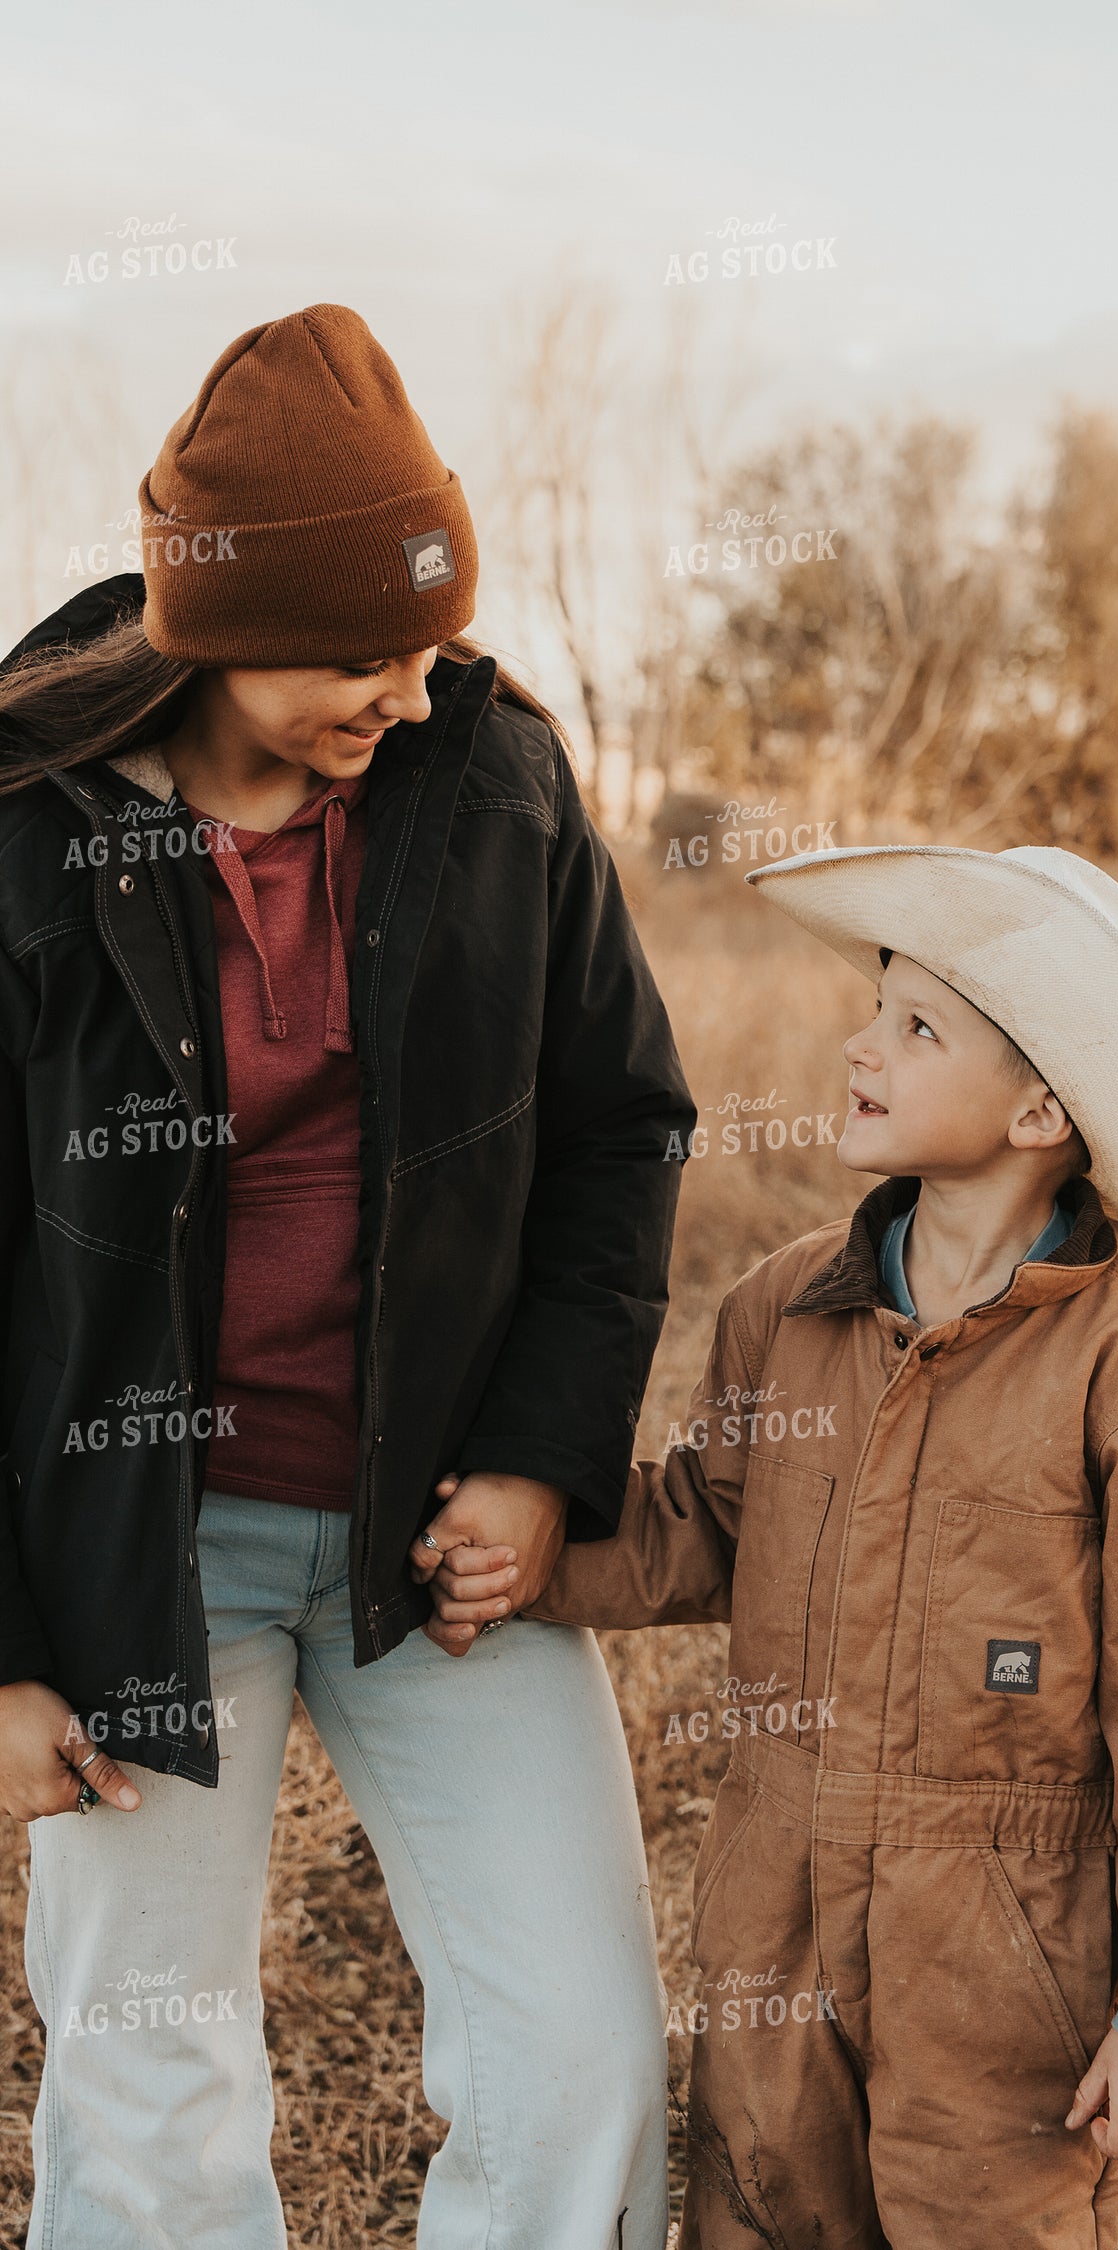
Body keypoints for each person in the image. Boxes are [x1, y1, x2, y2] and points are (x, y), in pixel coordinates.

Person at [0, 302, 695, 2249]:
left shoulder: (502, 794)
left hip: (432, 1538)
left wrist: (542, 1463)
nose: (400, 687)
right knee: (152, 2064)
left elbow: (620, 1134)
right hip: (137, 1542)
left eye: (422, 640)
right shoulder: (24, 829)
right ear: (204, 627)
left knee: (582, 2046)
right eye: (345, 654)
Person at [466, 842, 1118, 2249]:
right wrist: (526, 1558)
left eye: (920, 1027)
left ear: (1042, 1106)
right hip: (773, 1913)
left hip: (1003, 1962)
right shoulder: (789, 1306)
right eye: (878, 1006)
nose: (864, 1044)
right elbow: (703, 1527)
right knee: (761, 2215)